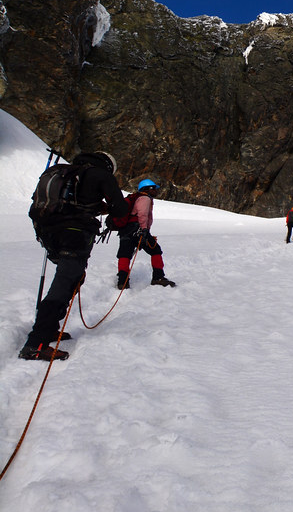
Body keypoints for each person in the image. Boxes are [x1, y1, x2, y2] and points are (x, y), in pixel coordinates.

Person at [20, 151, 130, 361]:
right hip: (75, 234)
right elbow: (121, 208)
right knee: (65, 281)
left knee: (69, 278)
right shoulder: (100, 175)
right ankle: (36, 344)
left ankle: (49, 327)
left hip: (47, 232)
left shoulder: (62, 172)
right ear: (109, 166)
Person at [115, 179, 176, 289]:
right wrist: (144, 230)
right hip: (138, 229)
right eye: (154, 188)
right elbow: (142, 214)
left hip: (126, 230)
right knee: (155, 250)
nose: (156, 191)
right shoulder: (145, 198)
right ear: (148, 189)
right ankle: (158, 277)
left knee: (125, 254)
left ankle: (122, 282)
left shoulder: (136, 198)